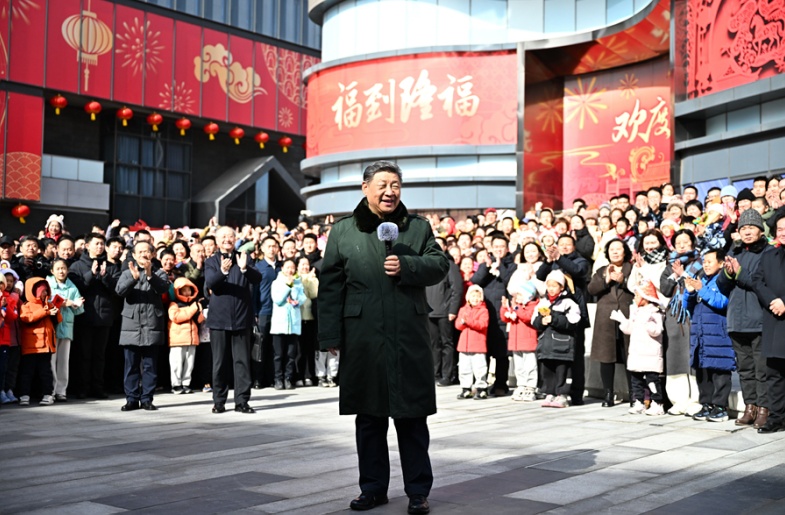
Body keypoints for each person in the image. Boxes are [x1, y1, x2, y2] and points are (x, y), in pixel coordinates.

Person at [318, 160, 449, 514]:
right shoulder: (344, 231)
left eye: (395, 185)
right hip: (363, 336)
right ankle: (373, 488)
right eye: (382, 184)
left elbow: (440, 265)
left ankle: (418, 491)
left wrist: (408, 266)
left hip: (408, 332)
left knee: (411, 416)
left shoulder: (417, 228)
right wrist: (330, 333)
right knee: (369, 416)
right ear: (365, 188)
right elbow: (331, 285)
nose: (390, 191)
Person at [719, 208, 772, 428]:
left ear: (761, 230)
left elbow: (761, 284)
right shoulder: (735, 251)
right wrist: (728, 273)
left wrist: (739, 273)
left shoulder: (769, 253)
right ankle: (749, 407)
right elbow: (722, 287)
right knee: (745, 368)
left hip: (758, 320)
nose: (747, 232)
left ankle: (764, 409)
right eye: (743, 228)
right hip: (736, 320)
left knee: (763, 369)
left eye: (752, 227)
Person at [205, 226, 262, 414]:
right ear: (217, 240)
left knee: (242, 362)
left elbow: (257, 278)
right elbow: (211, 283)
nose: (227, 239)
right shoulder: (211, 261)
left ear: (235, 238)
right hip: (219, 319)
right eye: (223, 236)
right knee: (219, 362)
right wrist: (222, 271)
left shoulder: (243, 257)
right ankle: (219, 401)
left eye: (230, 236)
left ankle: (242, 401)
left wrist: (245, 268)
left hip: (242, 318)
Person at [116, 241, 170, 412]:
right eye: (140, 251)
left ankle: (147, 398)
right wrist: (133, 279)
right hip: (131, 325)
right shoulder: (126, 272)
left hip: (152, 324)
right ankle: (131, 399)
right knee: (130, 365)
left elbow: (162, 289)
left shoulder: (160, 273)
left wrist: (149, 275)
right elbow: (119, 292)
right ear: (134, 254)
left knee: (150, 365)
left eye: (147, 251)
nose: (143, 254)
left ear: (152, 254)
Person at [683, 249, 736, 422]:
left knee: (719, 371)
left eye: (709, 261)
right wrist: (689, 292)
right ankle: (706, 404)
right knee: (702, 371)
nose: (705, 264)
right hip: (700, 334)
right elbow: (688, 308)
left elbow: (721, 302)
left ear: (721, 264)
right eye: (704, 261)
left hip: (718, 335)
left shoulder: (723, 281)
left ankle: (720, 407)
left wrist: (701, 289)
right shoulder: (702, 280)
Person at [69, 232, 120, 399]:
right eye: (96, 243)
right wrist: (91, 274)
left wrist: (105, 277)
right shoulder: (77, 266)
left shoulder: (110, 266)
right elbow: (76, 288)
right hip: (84, 316)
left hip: (104, 317)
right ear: (87, 245)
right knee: (83, 354)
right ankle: (82, 388)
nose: (99, 247)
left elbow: (116, 289)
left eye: (101, 244)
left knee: (100, 355)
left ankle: (98, 388)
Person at [588, 239, 634, 407]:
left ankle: (634, 394)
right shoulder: (601, 270)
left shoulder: (633, 268)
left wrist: (623, 280)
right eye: (611, 249)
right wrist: (606, 279)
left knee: (630, 356)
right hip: (605, 320)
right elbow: (592, 290)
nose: (615, 252)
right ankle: (608, 393)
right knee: (606, 358)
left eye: (618, 249)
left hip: (627, 316)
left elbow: (640, 288)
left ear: (625, 252)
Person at [751, 212, 785, 433]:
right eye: (780, 229)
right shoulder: (770, 255)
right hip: (775, 320)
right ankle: (777, 417)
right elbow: (757, 280)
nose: (783, 232)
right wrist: (773, 300)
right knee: (774, 373)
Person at [471, 232, 516, 396]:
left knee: (501, 354)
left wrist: (500, 266)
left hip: (503, 315)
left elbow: (510, 282)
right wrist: (486, 266)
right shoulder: (486, 264)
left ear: (507, 248)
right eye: (495, 247)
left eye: (501, 247)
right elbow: (475, 281)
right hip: (485, 315)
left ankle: (501, 384)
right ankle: (481, 383)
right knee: (484, 352)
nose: (498, 250)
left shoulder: (511, 265)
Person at [612, 281, 666, 416]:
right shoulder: (635, 311)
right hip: (637, 352)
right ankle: (638, 402)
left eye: (636, 295)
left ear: (644, 297)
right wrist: (623, 321)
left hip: (650, 353)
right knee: (636, 380)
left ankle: (657, 403)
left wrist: (648, 323)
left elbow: (657, 331)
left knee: (652, 380)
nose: (634, 298)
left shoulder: (655, 312)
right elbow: (631, 329)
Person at [532, 270, 582, 408]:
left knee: (562, 370)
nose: (551, 289)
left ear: (561, 287)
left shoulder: (568, 302)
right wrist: (540, 322)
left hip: (563, 345)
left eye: (555, 285)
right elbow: (534, 321)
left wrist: (554, 319)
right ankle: (549, 392)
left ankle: (562, 394)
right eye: (549, 285)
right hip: (546, 344)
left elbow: (573, 321)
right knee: (547, 370)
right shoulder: (542, 302)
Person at [17, 277, 62, 406]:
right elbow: (26, 318)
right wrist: (45, 311)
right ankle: (24, 395)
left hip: (46, 345)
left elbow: (59, 320)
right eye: (42, 291)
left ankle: (47, 394)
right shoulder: (26, 305)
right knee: (27, 372)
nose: (45, 293)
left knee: (45, 372)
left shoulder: (49, 304)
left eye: (46, 291)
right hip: (31, 345)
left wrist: (55, 310)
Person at [426, 237, 462, 387]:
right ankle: (435, 373)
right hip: (429, 311)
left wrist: (452, 310)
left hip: (445, 311)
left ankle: (448, 375)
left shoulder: (450, 265)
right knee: (433, 344)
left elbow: (457, 290)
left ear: (446, 247)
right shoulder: (427, 264)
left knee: (447, 343)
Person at [47, 259, 85, 402]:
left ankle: (61, 390)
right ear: (52, 271)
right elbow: (47, 302)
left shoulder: (72, 287)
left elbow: (78, 310)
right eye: (58, 268)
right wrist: (65, 302)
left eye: (63, 268)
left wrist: (77, 305)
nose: (61, 271)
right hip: (52, 326)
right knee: (51, 360)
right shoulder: (48, 284)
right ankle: (50, 389)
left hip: (67, 327)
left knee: (64, 360)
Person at [270, 258, 306, 390]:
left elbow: (302, 298)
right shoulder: (276, 283)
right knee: (278, 355)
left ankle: (288, 378)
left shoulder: (298, 283)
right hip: (280, 325)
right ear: (282, 269)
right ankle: (278, 379)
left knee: (291, 355)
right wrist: (288, 286)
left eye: (292, 267)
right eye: (287, 267)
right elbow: (278, 300)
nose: (290, 270)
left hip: (294, 325)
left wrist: (298, 300)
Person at [500, 281, 539, 402]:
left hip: (528, 341)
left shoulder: (532, 306)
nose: (517, 298)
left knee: (530, 365)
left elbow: (527, 317)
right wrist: (505, 308)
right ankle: (521, 384)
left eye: (520, 295)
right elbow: (505, 318)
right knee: (519, 366)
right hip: (516, 342)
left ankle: (531, 387)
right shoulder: (517, 307)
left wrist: (517, 309)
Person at [167, 277, 204, 394]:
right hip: (178, 339)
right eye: (184, 290)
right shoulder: (174, 304)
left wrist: (200, 311)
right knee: (176, 363)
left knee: (189, 363)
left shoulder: (194, 304)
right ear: (178, 291)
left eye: (189, 290)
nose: (187, 292)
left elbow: (198, 320)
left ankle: (186, 383)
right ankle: (176, 384)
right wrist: (194, 308)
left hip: (192, 338)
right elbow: (176, 317)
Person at [455, 284, 490, 400]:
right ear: (468, 297)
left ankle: (481, 388)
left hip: (477, 345)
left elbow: (482, 325)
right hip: (464, 345)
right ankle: (466, 388)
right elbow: (458, 325)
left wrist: (468, 321)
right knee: (464, 368)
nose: (475, 299)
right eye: (473, 296)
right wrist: (462, 322)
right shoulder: (463, 309)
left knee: (479, 368)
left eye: (477, 296)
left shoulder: (483, 310)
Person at [296, 256, 318, 386]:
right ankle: (299, 375)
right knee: (299, 351)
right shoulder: (294, 278)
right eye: (302, 264)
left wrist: (311, 279)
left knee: (310, 349)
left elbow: (315, 294)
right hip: (298, 319)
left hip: (310, 318)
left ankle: (309, 375)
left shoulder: (312, 278)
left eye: (307, 264)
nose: (305, 267)